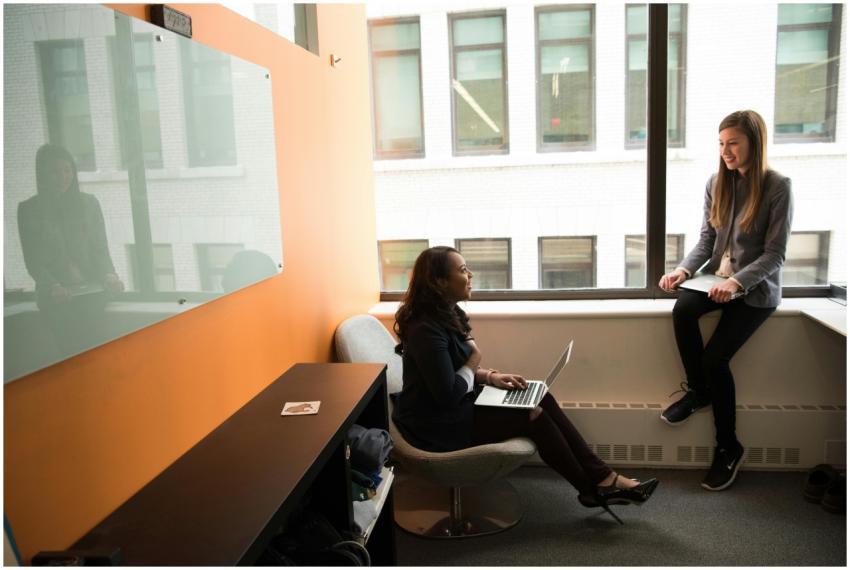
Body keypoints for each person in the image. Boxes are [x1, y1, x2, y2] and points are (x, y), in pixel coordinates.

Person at [392, 246, 658, 524]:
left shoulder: (448, 312)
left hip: (456, 406)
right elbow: (448, 392)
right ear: (439, 282)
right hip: (436, 423)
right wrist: (475, 360)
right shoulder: (425, 329)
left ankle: (604, 478)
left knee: (541, 397)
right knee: (534, 417)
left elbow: (454, 368)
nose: (470, 275)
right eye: (462, 270)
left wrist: (491, 376)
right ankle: (594, 488)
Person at [658, 110, 793, 492]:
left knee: (716, 358)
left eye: (733, 142)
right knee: (682, 307)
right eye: (721, 143)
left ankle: (728, 447)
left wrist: (736, 283)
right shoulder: (716, 182)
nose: (726, 150)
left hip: (756, 292)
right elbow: (707, 241)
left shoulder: (778, 186)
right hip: (716, 282)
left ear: (754, 142)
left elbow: (775, 254)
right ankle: (698, 391)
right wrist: (683, 270)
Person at [17, 143, 124, 353]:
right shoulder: (29, 210)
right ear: (42, 175)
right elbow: (33, 260)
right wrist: (52, 286)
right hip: (54, 294)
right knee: (70, 343)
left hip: (90, 289)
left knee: (93, 343)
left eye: (67, 170)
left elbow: (100, 249)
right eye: (55, 172)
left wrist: (109, 275)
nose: (63, 177)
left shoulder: (89, 204)